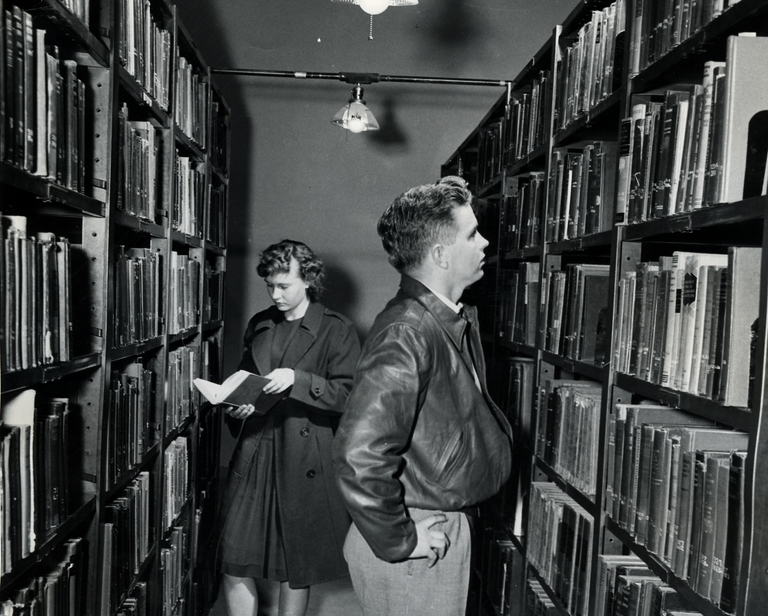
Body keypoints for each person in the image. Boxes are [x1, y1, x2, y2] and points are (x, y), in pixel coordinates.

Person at [333, 176, 514, 616]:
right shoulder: (409, 331)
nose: (485, 242)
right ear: (440, 254)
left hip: (433, 522)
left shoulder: (441, 321)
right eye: (472, 234)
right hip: (420, 534)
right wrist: (402, 539)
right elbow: (358, 454)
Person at [217, 239, 361, 616]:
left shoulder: (338, 330)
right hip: (255, 452)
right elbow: (243, 380)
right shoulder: (261, 324)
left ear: (309, 280)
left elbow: (349, 396)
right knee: (232, 560)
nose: (275, 295)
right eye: (270, 286)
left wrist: (298, 380)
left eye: (285, 286)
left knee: (292, 567)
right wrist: (238, 406)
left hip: (302, 457)